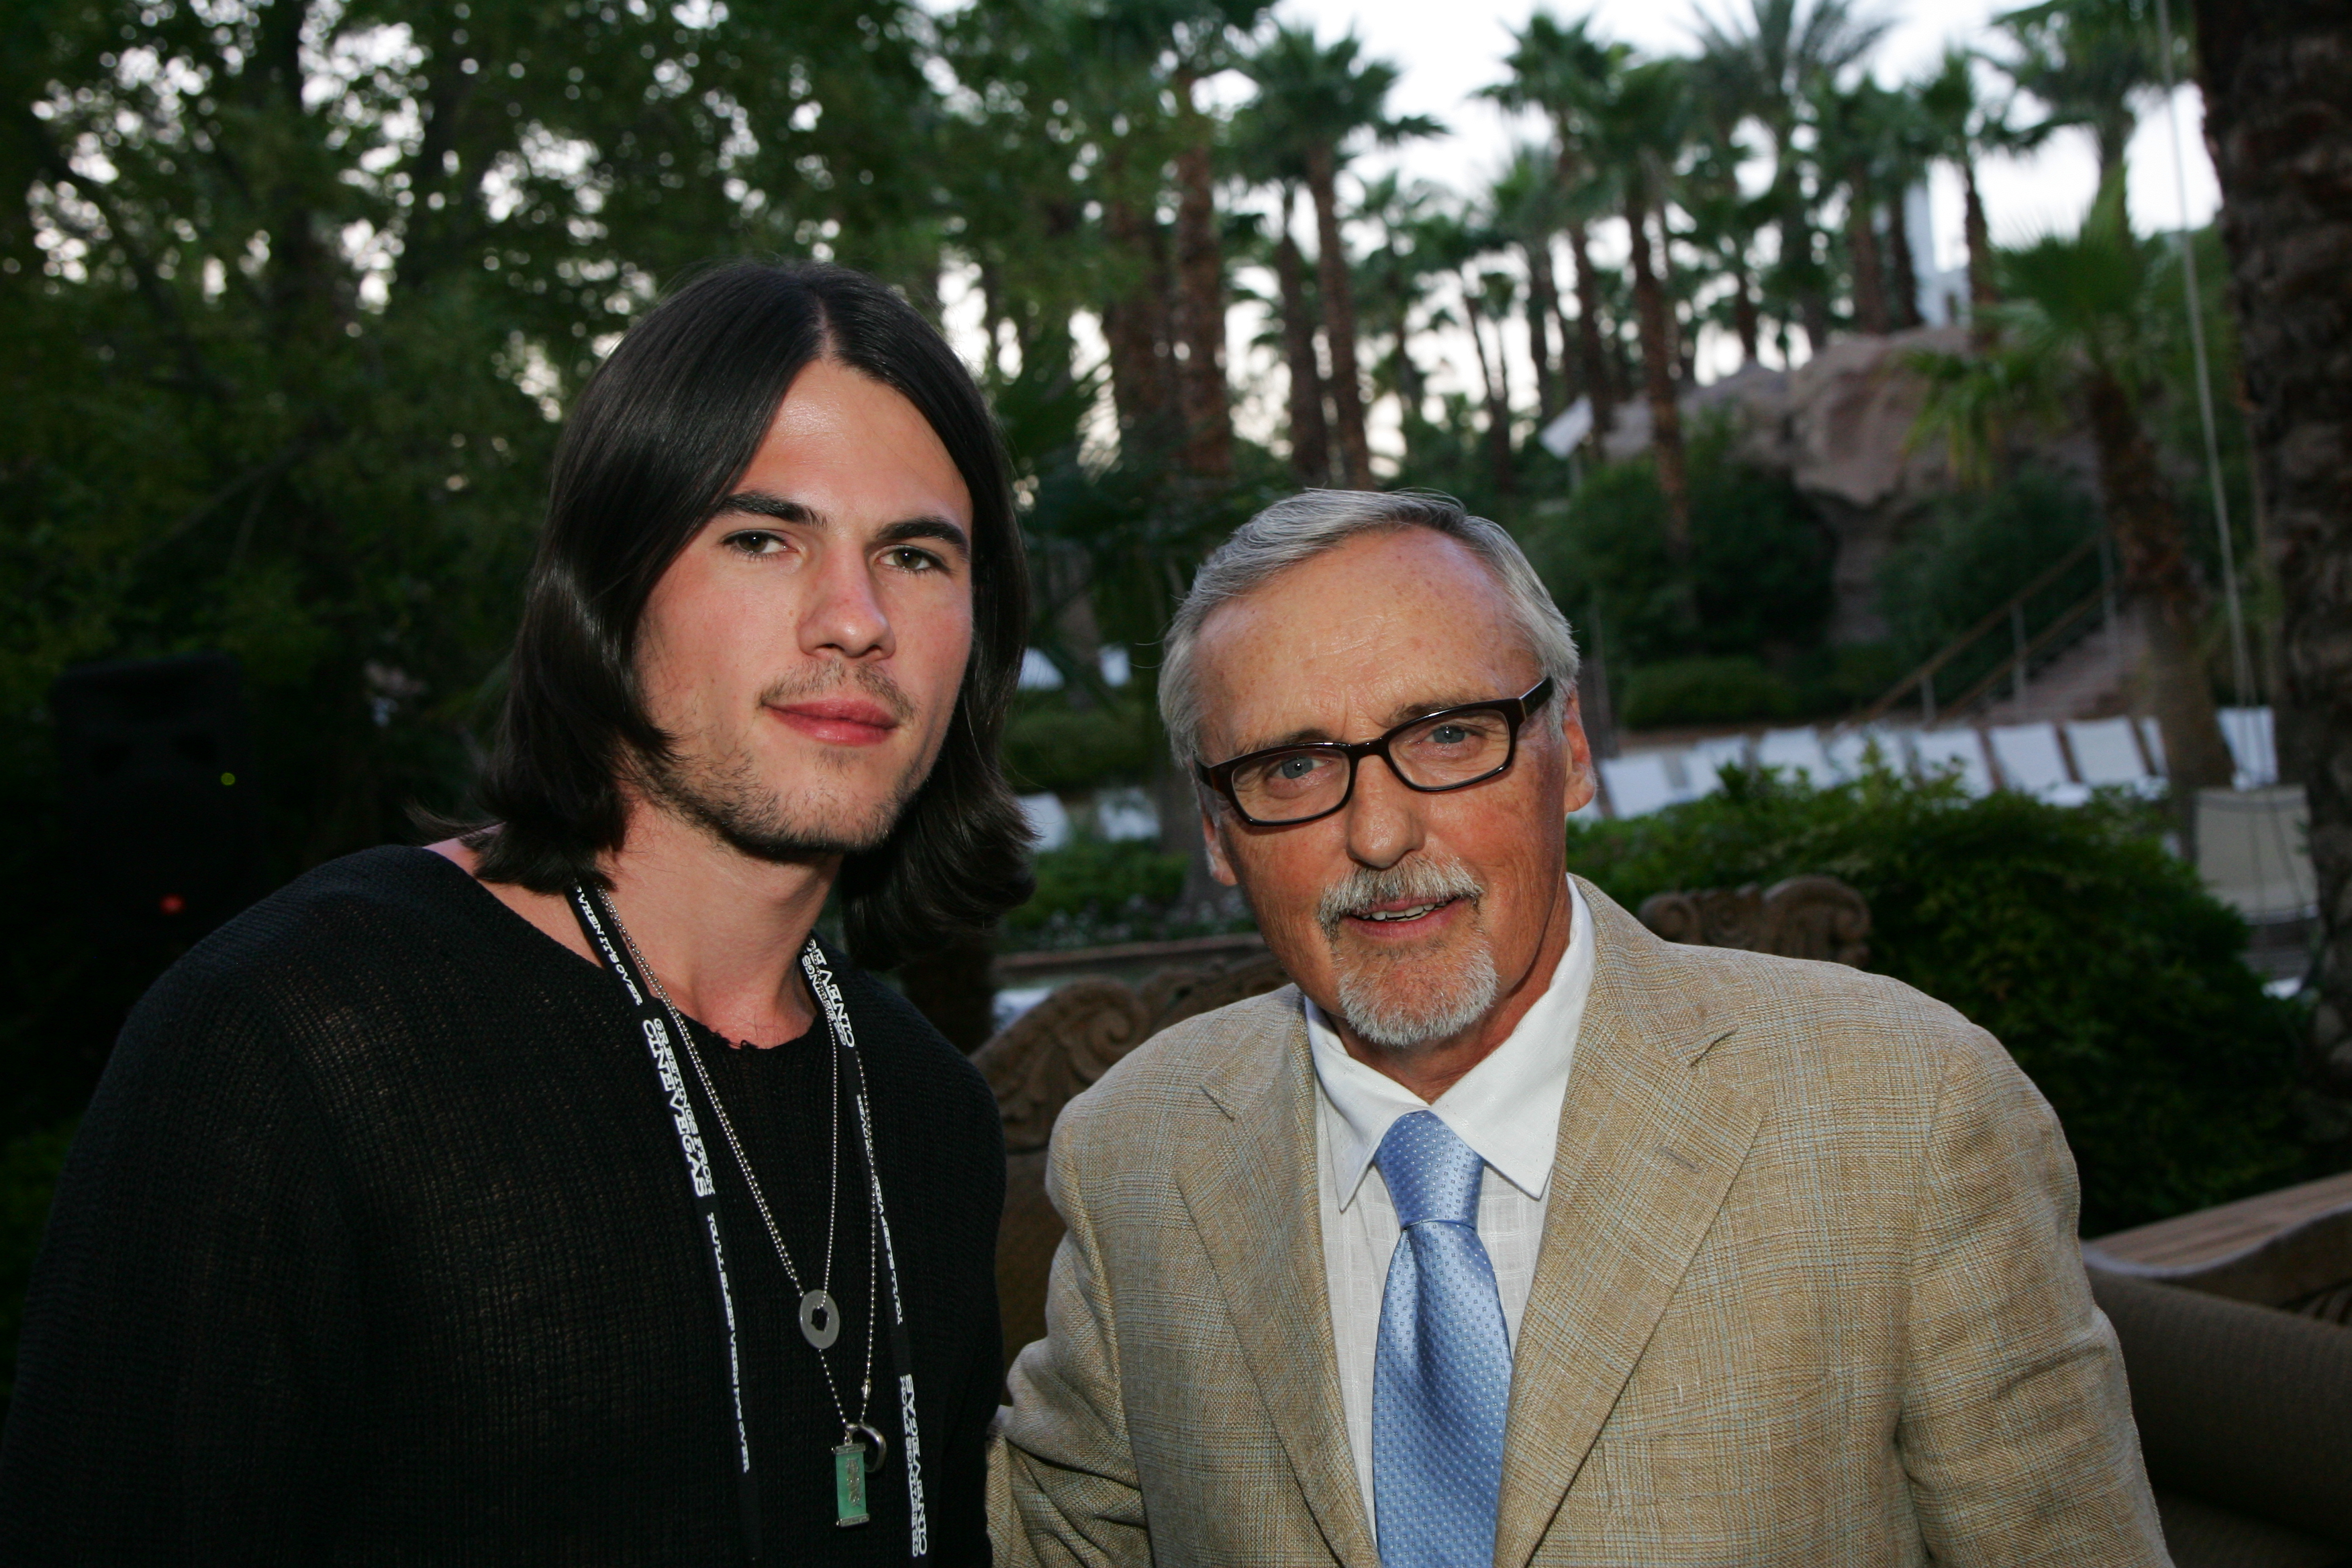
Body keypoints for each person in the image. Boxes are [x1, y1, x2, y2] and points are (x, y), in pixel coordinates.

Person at [1, 260, 1030, 1563]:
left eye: (918, 554)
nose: (856, 619)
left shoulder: (929, 1112)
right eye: (763, 536)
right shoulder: (293, 1044)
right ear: (605, 589)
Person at [990, 490, 2168, 1567]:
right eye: (1294, 766)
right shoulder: (1132, 1153)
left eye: (1450, 733)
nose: (1383, 834)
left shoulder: (1909, 1112)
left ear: (1576, 751)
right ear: (1215, 830)